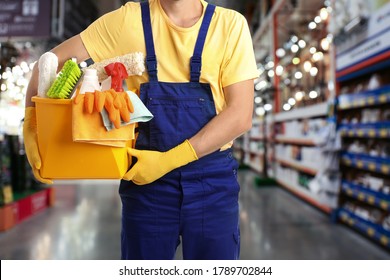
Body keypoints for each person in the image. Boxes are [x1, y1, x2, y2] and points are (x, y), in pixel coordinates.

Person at [24, 0, 259, 260]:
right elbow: (47, 63)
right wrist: (33, 124)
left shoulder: (229, 25)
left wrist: (170, 160)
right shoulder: (128, 20)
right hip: (146, 183)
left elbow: (240, 115)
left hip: (212, 183)